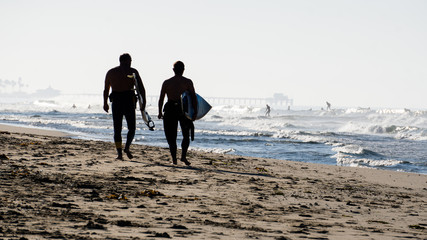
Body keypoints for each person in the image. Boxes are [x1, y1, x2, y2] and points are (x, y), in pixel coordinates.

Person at [103, 53, 146, 160]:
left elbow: (106, 90)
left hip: (117, 101)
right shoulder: (133, 71)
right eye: (130, 60)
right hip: (128, 101)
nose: (131, 62)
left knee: (117, 129)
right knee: (131, 128)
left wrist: (105, 103)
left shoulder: (111, 72)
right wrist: (143, 101)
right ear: (126, 61)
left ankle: (120, 153)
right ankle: (126, 148)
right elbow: (141, 88)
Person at [158, 61, 197, 166]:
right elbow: (193, 98)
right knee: (186, 135)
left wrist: (159, 112)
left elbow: (161, 99)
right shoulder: (188, 82)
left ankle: (174, 159)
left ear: (173, 70)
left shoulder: (167, 82)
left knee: (171, 136)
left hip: (170, 109)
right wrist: (195, 112)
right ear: (183, 69)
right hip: (183, 110)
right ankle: (183, 157)